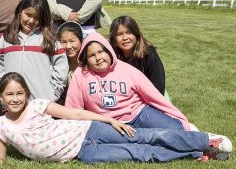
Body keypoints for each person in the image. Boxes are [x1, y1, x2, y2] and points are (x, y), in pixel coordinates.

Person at [0, 72, 232, 169]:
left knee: (145, 137)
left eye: (19, 93)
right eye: (9, 94)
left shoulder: (38, 105)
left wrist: (108, 119)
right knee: (139, 154)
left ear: (26, 94)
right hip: (83, 153)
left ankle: (206, 140)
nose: (15, 99)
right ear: (1, 97)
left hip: (89, 129)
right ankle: (198, 153)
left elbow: (76, 114)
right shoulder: (1, 126)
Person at [65, 32, 197, 131]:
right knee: (141, 140)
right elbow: (73, 107)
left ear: (109, 52)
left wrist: (177, 116)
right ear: (86, 59)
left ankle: (202, 138)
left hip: (138, 114)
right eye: (91, 55)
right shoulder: (81, 74)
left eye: (101, 52)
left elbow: (153, 96)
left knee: (177, 129)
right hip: (107, 122)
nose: (98, 58)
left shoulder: (127, 70)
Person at [0, 0, 68, 102]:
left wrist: (53, 94)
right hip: (14, 103)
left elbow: (60, 66)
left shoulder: (49, 39)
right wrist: (2, 90)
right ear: (19, 12)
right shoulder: (7, 38)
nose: (31, 21)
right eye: (28, 14)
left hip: (42, 103)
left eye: (36, 17)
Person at [109, 16, 167, 96]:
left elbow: (158, 84)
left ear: (136, 34)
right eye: (119, 34)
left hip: (148, 96)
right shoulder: (110, 56)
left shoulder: (149, 53)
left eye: (129, 32)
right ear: (114, 39)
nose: (125, 38)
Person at [56, 21, 85, 105]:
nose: (68, 46)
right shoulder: (58, 65)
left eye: (72, 41)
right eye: (63, 42)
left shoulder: (88, 64)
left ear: (81, 40)